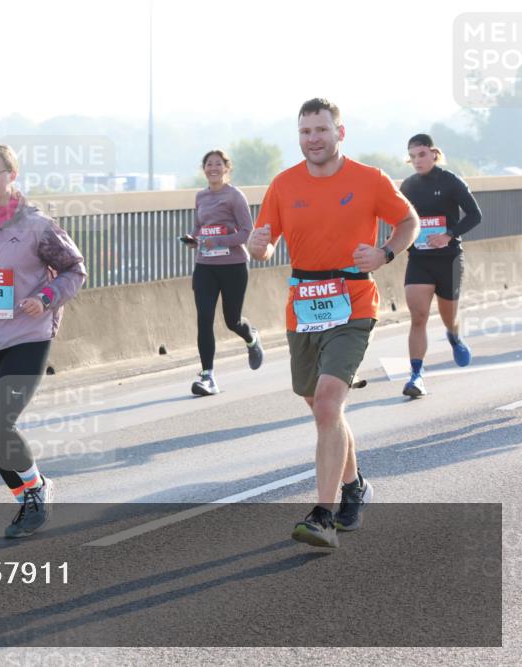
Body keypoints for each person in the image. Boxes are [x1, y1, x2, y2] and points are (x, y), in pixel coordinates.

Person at [248, 99, 419, 548]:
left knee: (327, 405)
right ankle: (354, 486)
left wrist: (385, 252)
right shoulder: (284, 184)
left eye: (321, 130)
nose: (313, 139)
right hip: (304, 306)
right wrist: (257, 245)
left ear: (340, 132)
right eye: (305, 132)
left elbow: (409, 220)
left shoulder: (369, 179)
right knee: (321, 407)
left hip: (353, 302)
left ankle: (322, 515)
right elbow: (264, 246)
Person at [0, 144, 86, 538]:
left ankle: (37, 490)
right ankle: (28, 498)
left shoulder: (37, 225)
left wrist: (46, 298)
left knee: (0, 422)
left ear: (12, 176)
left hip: (28, 334)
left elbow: (74, 270)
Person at [399, 133, 482, 398]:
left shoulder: (450, 181)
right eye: (412, 157)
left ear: (434, 154)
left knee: (449, 317)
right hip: (420, 260)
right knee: (418, 316)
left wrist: (448, 234)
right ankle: (416, 375)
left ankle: (454, 337)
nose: (417, 161)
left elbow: (475, 215)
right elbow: (399, 219)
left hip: (449, 260)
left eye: (422, 154)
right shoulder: (408, 186)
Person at [180, 149, 263, 396]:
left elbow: (246, 232)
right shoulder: (201, 196)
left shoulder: (234, 196)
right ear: (204, 169)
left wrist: (218, 241)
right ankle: (208, 377)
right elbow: (199, 227)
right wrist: (193, 238)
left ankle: (251, 338)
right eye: (209, 164)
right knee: (204, 319)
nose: (213, 168)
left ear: (226, 168)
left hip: (233, 266)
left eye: (218, 164)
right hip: (205, 266)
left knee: (232, 321)